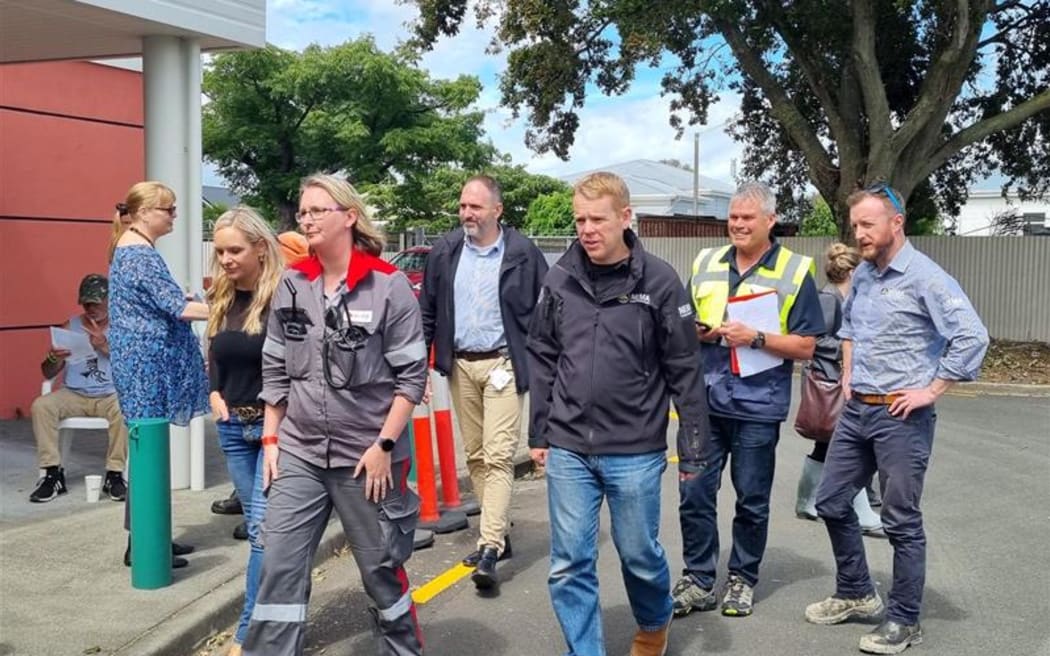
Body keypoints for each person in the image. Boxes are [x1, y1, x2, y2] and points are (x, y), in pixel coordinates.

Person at [527, 172, 710, 656]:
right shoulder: (559, 277)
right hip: (569, 446)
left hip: (635, 449)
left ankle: (653, 620)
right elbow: (543, 354)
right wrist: (539, 431)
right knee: (569, 562)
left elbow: (685, 370)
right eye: (580, 219)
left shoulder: (660, 282)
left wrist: (692, 449)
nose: (587, 229)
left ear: (626, 218)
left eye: (598, 219)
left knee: (639, 555)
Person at [244, 174, 427, 656]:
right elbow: (276, 367)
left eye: (317, 210)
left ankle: (402, 648)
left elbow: (411, 379)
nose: (306, 219)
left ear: (349, 216)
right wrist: (270, 440)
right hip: (301, 450)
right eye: (303, 212)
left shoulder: (388, 287)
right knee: (278, 564)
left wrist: (384, 446)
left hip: (366, 455)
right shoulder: (291, 283)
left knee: (380, 569)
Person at [805, 184, 988, 654]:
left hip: (900, 418)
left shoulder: (926, 278)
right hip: (857, 411)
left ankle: (904, 619)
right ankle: (856, 592)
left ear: (896, 223)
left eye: (868, 224)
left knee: (901, 519)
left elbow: (972, 337)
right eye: (856, 225)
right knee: (829, 501)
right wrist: (848, 373)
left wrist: (931, 390)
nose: (858, 233)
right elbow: (848, 329)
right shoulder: (864, 274)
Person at [674, 181, 825, 619]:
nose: (737, 225)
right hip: (703, 401)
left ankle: (742, 578)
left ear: (770, 220)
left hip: (757, 405)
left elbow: (807, 346)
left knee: (752, 498)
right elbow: (683, 321)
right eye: (733, 218)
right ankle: (699, 579)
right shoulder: (705, 262)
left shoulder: (795, 270)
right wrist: (698, 331)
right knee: (695, 494)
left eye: (747, 218)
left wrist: (756, 337)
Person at [419, 174, 548, 589]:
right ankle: (501, 533)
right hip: (461, 366)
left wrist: (544, 365)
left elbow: (545, 314)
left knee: (497, 456)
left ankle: (490, 544)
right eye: (462, 206)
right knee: (474, 455)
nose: (466, 214)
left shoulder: (524, 254)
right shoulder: (445, 251)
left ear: (497, 210)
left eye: (475, 207)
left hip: (505, 365)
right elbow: (428, 310)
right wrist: (420, 363)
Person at [109, 180, 210, 569]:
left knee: (146, 451)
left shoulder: (131, 248)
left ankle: (150, 535)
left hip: (139, 361)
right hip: (146, 364)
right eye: (168, 209)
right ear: (145, 212)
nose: (174, 216)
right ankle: (145, 543)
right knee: (147, 450)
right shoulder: (141, 255)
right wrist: (226, 310)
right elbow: (175, 308)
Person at [206, 207, 283, 656]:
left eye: (234, 250)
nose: (226, 259)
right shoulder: (222, 295)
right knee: (265, 534)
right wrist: (214, 393)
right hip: (233, 428)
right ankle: (279, 616)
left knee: (262, 532)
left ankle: (246, 634)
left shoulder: (283, 296)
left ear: (259, 247)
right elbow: (216, 350)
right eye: (220, 252)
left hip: (276, 431)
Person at [794, 244, 883, 536]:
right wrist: (849, 348)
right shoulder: (828, 297)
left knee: (827, 445)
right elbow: (814, 340)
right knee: (849, 444)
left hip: (844, 380)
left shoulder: (849, 296)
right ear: (853, 271)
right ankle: (860, 511)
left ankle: (807, 501)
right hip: (830, 381)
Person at [29, 274, 128, 503]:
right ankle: (52, 474)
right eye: (86, 303)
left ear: (110, 300)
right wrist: (54, 358)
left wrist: (104, 346)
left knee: (125, 408)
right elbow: (48, 373)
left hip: (110, 394)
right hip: (74, 394)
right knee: (41, 406)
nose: (91, 308)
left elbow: (133, 366)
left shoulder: (123, 326)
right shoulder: (70, 326)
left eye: (96, 302)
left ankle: (114, 475)